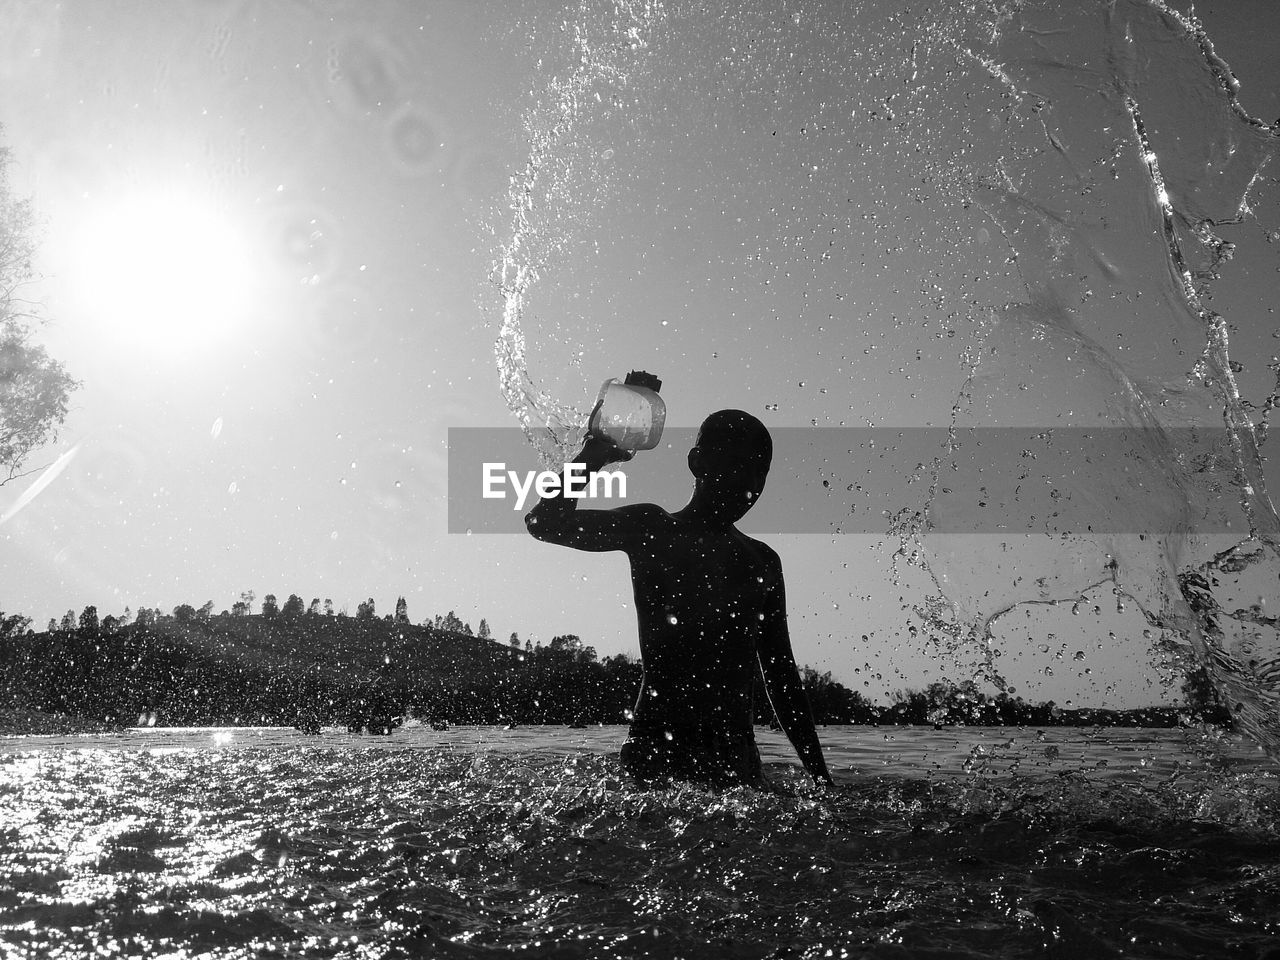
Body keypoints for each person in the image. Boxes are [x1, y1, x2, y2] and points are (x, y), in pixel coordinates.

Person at [525, 408, 833, 789]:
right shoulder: (653, 529)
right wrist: (598, 452)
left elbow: (782, 677)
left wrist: (822, 780)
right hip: (656, 753)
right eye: (736, 463)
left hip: (737, 763)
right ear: (697, 461)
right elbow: (545, 522)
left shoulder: (762, 562)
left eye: (760, 469)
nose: (749, 481)